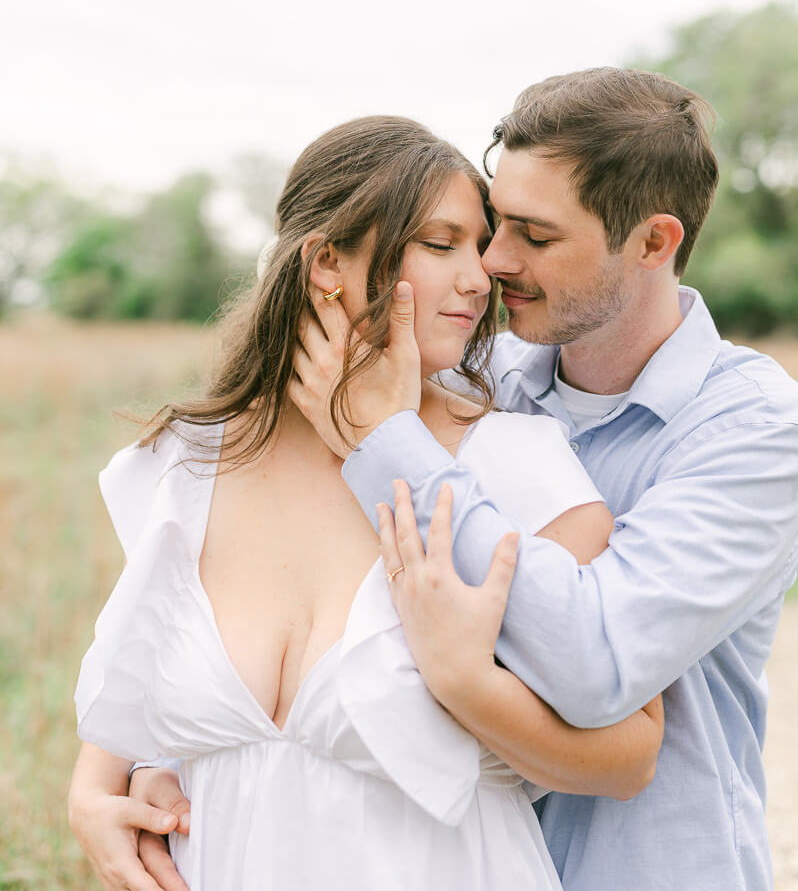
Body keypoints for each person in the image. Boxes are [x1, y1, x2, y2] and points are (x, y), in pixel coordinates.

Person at [69, 116, 663, 891]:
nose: (481, 278)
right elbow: (131, 717)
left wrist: (464, 682)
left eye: (477, 248)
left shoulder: (520, 469)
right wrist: (91, 798)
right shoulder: (182, 465)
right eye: (441, 243)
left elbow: (627, 758)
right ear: (327, 263)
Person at [289, 69, 798, 891]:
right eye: (495, 223)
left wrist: (387, 447)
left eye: (535, 234)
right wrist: (127, 768)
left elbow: (597, 660)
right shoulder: (475, 383)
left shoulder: (757, 430)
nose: (492, 261)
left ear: (653, 243)